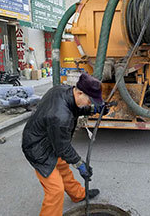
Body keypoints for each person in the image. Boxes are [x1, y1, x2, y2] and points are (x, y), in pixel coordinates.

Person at [22, 72, 109, 216]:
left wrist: (94, 109)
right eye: (90, 101)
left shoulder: (62, 91)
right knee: (55, 190)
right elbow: (63, 147)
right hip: (37, 148)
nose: (90, 103)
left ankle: (78, 194)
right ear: (80, 92)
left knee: (62, 167)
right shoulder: (60, 116)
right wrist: (80, 164)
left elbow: (76, 106)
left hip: (49, 137)